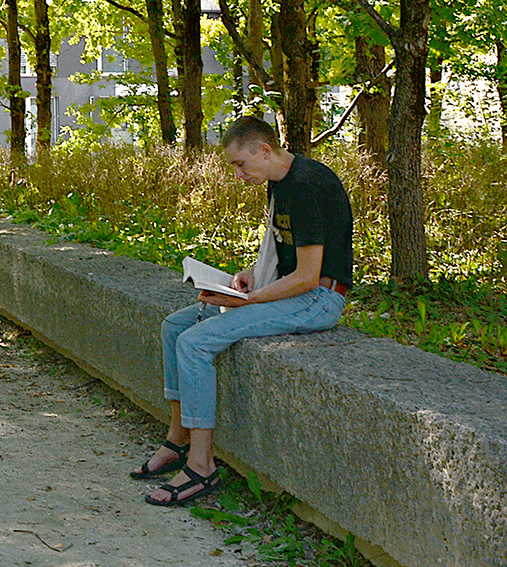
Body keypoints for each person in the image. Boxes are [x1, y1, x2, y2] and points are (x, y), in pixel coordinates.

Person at [133, 114, 353, 506]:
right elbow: (291, 256)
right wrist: (252, 276)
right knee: (173, 326)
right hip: (290, 292)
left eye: (240, 163)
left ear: (264, 150)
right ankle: (178, 437)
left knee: (196, 343)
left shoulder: (307, 185)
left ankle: (202, 467)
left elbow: (307, 277)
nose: (239, 174)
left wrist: (245, 302)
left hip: (318, 301)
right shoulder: (280, 185)